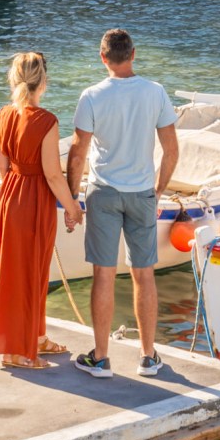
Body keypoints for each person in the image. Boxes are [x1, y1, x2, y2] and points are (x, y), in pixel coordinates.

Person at [67, 29, 178, 379]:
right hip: (143, 192)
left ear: (103, 58)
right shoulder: (155, 92)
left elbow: (77, 152)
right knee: (143, 275)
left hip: (103, 193)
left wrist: (72, 197)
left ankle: (101, 359)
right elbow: (172, 151)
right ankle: (148, 357)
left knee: (103, 274)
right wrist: (158, 190)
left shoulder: (91, 96)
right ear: (134, 54)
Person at [0, 52, 84, 369]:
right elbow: (51, 174)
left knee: (22, 272)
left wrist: (15, 193)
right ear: (43, 82)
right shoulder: (46, 121)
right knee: (28, 274)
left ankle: (35, 338)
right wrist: (73, 206)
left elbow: (2, 166)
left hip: (10, 198)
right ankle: (15, 352)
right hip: (34, 200)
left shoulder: (4, 115)